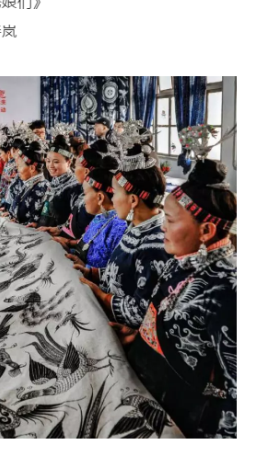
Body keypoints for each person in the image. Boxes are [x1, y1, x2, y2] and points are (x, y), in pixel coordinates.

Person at [121, 158, 237, 438]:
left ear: (206, 231)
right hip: (142, 386)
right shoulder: (183, 258)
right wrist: (140, 336)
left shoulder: (228, 291)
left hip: (179, 419)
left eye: (170, 220)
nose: (162, 226)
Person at [74, 143, 171, 328]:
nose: (112, 199)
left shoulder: (154, 246)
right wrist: (93, 273)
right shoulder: (136, 227)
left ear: (133, 200)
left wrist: (101, 296)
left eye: (115, 193)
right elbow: (124, 274)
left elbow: (140, 313)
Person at [64, 155, 127, 269]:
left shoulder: (119, 227)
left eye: (85, 194)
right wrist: (67, 243)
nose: (83, 199)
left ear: (100, 198)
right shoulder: (100, 217)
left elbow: (113, 272)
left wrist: (87, 269)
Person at [34, 135, 82, 229]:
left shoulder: (75, 187)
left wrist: (57, 230)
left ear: (68, 162)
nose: (50, 166)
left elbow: (75, 222)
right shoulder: (52, 182)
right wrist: (37, 224)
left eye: (56, 162)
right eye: (48, 161)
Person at [5, 141, 49, 225]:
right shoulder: (28, 183)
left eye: (19, 166)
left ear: (32, 168)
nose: (17, 170)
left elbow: (33, 222)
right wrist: (11, 214)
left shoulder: (41, 189)